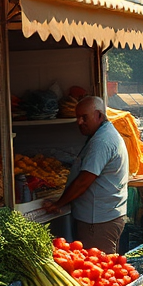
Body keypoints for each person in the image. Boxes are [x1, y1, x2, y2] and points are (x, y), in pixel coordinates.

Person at [44, 96, 129, 254]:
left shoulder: (102, 141)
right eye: (77, 117)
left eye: (84, 117)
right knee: (106, 267)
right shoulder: (104, 134)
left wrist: (59, 203)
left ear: (98, 115)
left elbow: (84, 181)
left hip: (98, 223)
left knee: (101, 270)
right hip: (104, 218)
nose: (79, 122)